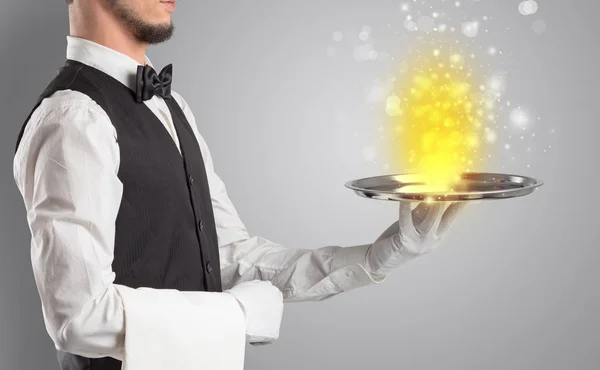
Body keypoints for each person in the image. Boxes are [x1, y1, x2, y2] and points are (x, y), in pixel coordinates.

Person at [12, 1, 466, 370]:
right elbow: (79, 317)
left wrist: (385, 253)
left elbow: (230, 258)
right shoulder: (73, 118)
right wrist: (238, 315)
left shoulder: (174, 108)